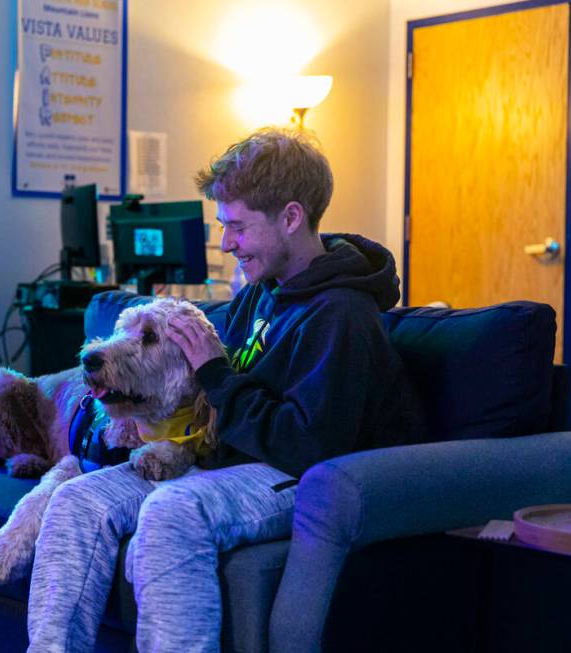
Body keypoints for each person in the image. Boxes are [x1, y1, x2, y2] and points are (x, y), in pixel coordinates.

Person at [26, 126, 421, 653]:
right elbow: (200, 400)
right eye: (221, 225)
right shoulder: (260, 295)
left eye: (237, 226)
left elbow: (309, 445)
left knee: (172, 511)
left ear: (291, 217)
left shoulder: (342, 315)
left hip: (301, 476)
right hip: (228, 460)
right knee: (77, 499)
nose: (225, 243)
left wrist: (215, 375)